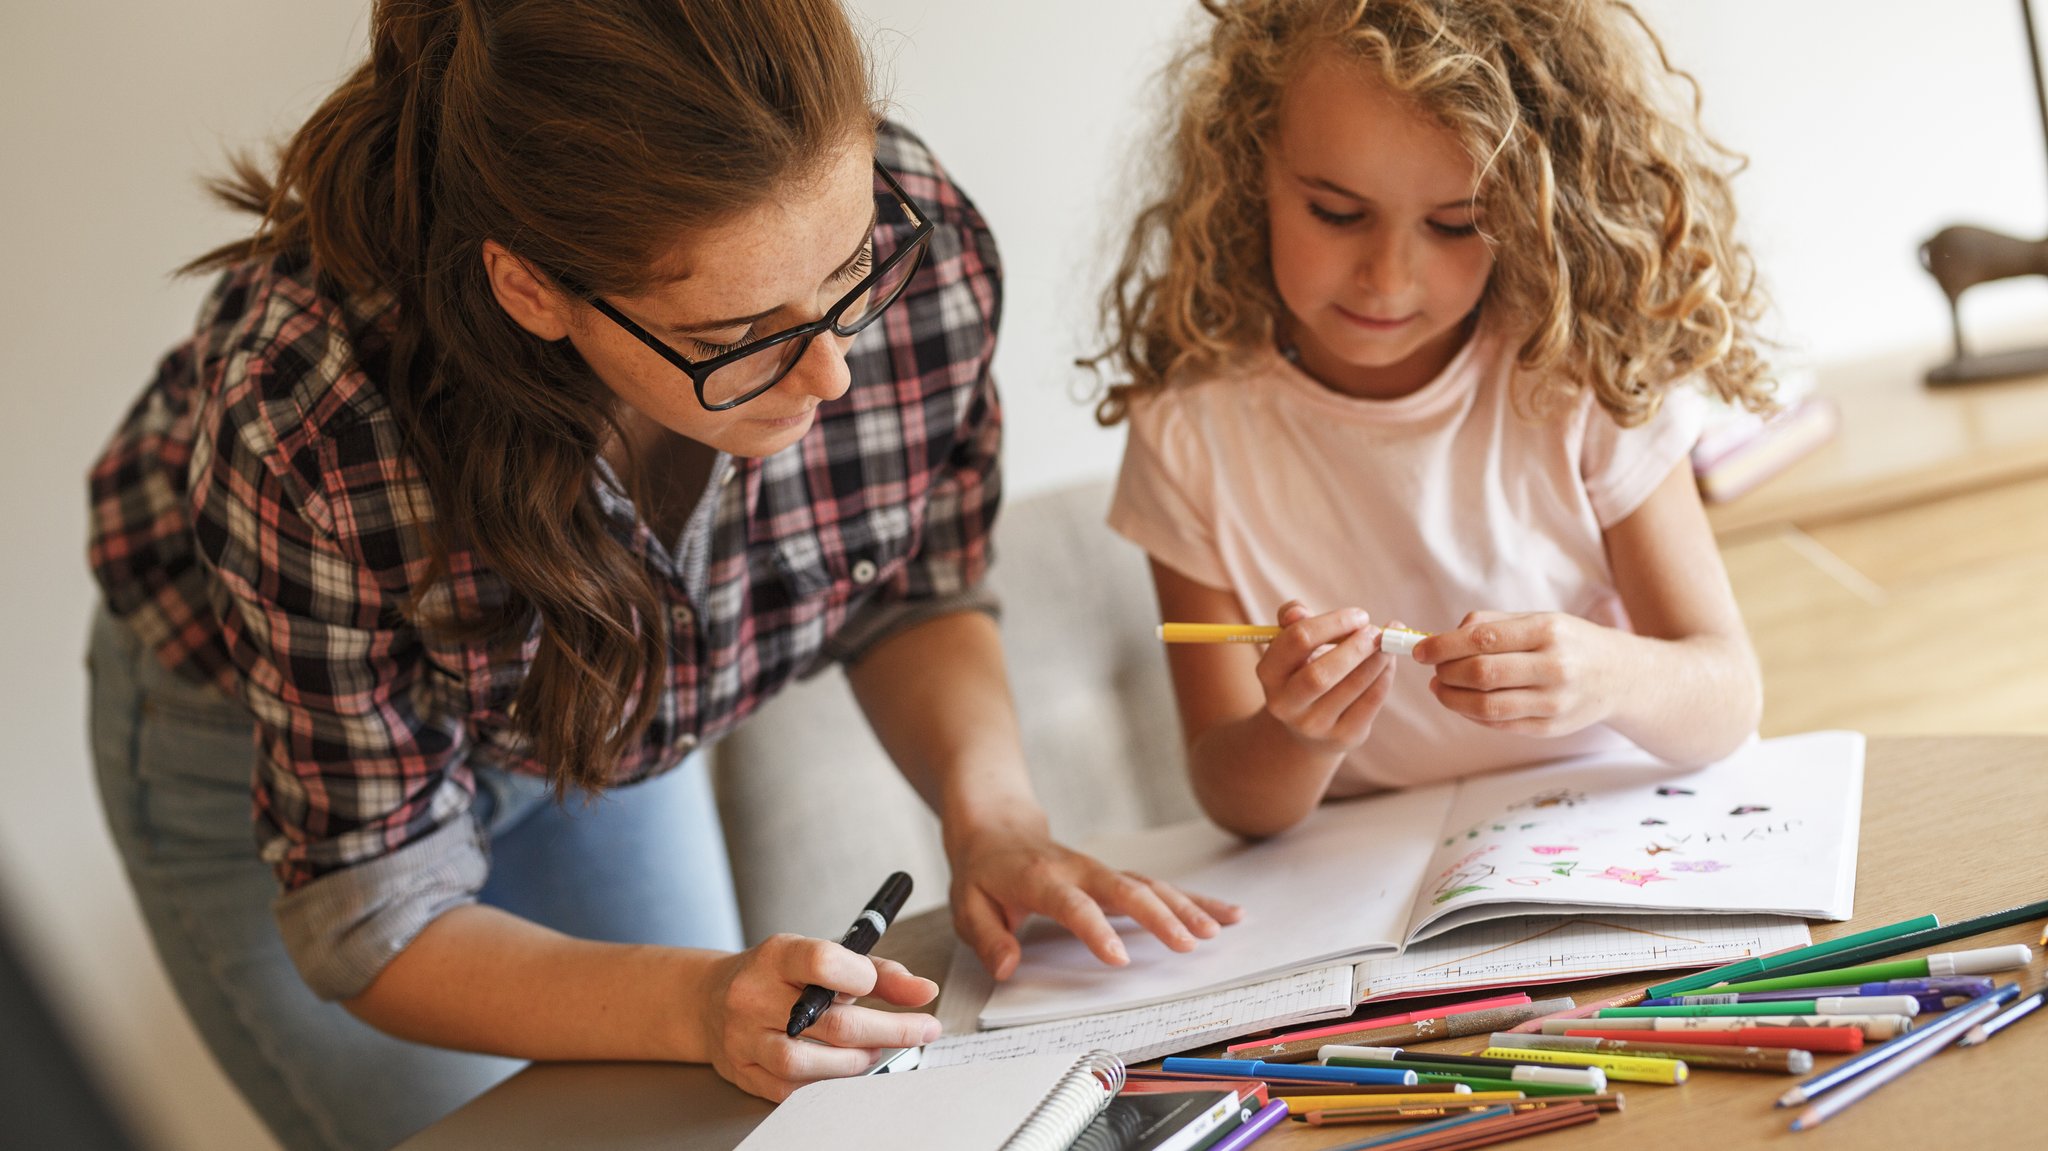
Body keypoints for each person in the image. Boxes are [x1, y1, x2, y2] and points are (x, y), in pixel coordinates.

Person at [84, 2, 1236, 1146]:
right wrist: (696, 1000)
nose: (832, 374)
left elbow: (908, 583)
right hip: (259, 753)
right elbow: (375, 910)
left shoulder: (910, 226)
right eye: (739, 335)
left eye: (846, 273)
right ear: (532, 290)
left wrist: (994, 818)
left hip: (587, 705)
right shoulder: (315, 410)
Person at [1096, 0, 1772, 841]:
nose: (1388, 278)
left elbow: (1729, 695)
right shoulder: (1188, 431)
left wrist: (1611, 677)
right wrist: (1296, 735)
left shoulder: (1578, 369)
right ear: (1249, 169)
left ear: (1528, 209)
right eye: (1337, 213)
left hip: (1615, 835)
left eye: (1457, 224)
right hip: (1358, 880)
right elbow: (1231, 797)